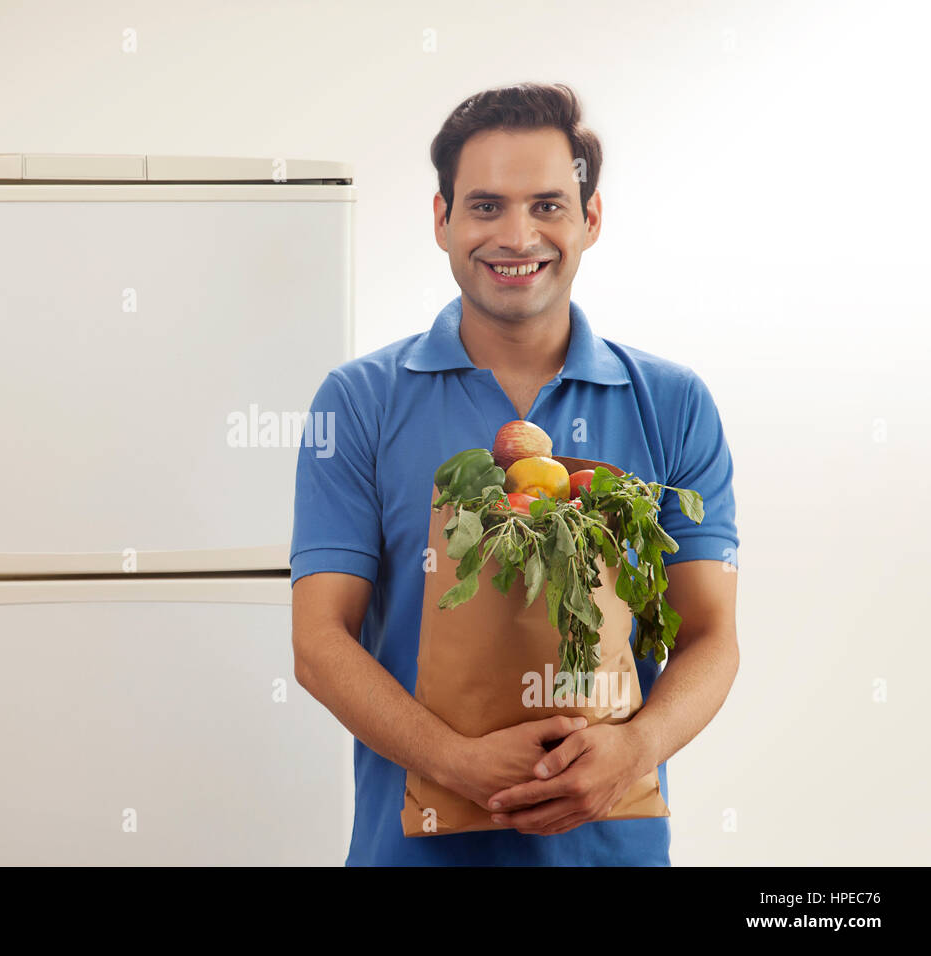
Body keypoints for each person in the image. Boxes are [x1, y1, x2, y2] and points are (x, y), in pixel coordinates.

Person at [290, 82, 740, 866]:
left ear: (590, 219)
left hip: (613, 849)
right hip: (414, 850)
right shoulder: (360, 402)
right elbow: (319, 642)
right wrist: (454, 762)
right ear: (442, 220)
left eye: (548, 205)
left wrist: (631, 755)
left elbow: (711, 637)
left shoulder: (671, 403)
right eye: (486, 205)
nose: (517, 234)